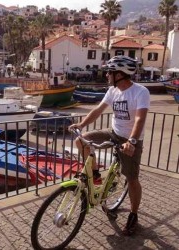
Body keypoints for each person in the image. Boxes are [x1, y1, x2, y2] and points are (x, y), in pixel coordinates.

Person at [69, 55, 150, 236]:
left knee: (132, 178)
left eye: (109, 72)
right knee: (80, 140)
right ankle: (96, 174)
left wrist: (132, 141)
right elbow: (98, 110)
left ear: (119, 74)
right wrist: (81, 125)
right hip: (113, 133)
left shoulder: (140, 92)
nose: (106, 75)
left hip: (130, 140)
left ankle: (133, 214)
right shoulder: (113, 91)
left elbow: (140, 118)